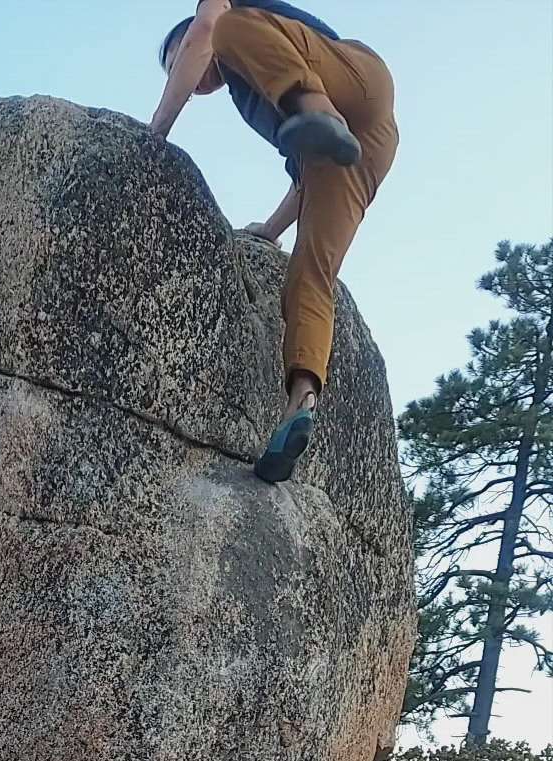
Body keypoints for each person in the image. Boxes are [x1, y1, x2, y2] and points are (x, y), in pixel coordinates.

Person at [150, 0, 398, 481]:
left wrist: (155, 131)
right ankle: (299, 405)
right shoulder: (256, 93)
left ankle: (319, 109)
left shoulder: (229, 19)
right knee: (309, 276)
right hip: (366, 146)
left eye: (175, 59)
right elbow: (304, 177)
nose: (187, 76)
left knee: (230, 30)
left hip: (356, 80)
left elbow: (209, 27)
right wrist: (270, 228)